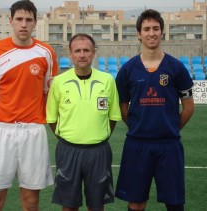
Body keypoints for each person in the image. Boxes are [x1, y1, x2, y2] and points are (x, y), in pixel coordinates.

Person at [0, 1, 58, 210]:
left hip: (33, 131)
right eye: (19, 19)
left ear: (35, 23)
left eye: (28, 20)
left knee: (31, 201)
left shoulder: (46, 52)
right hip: (0, 130)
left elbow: (50, 92)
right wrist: (3, 115)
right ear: (10, 21)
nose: (23, 24)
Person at [115, 9, 194, 211]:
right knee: (136, 202)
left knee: (175, 203)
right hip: (137, 145)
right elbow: (123, 108)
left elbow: (188, 107)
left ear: (162, 32)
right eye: (147, 29)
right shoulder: (128, 69)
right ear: (139, 34)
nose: (151, 33)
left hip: (169, 145)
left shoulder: (176, 68)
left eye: (156, 28)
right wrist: (138, 126)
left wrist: (171, 127)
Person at [46, 33, 122, 211]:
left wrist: (98, 136)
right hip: (68, 150)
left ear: (94, 53)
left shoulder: (107, 80)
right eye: (77, 51)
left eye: (86, 50)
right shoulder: (58, 82)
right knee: (69, 205)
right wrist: (68, 137)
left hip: (99, 152)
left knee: (97, 205)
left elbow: (113, 118)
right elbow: (51, 118)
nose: (82, 55)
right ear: (70, 54)